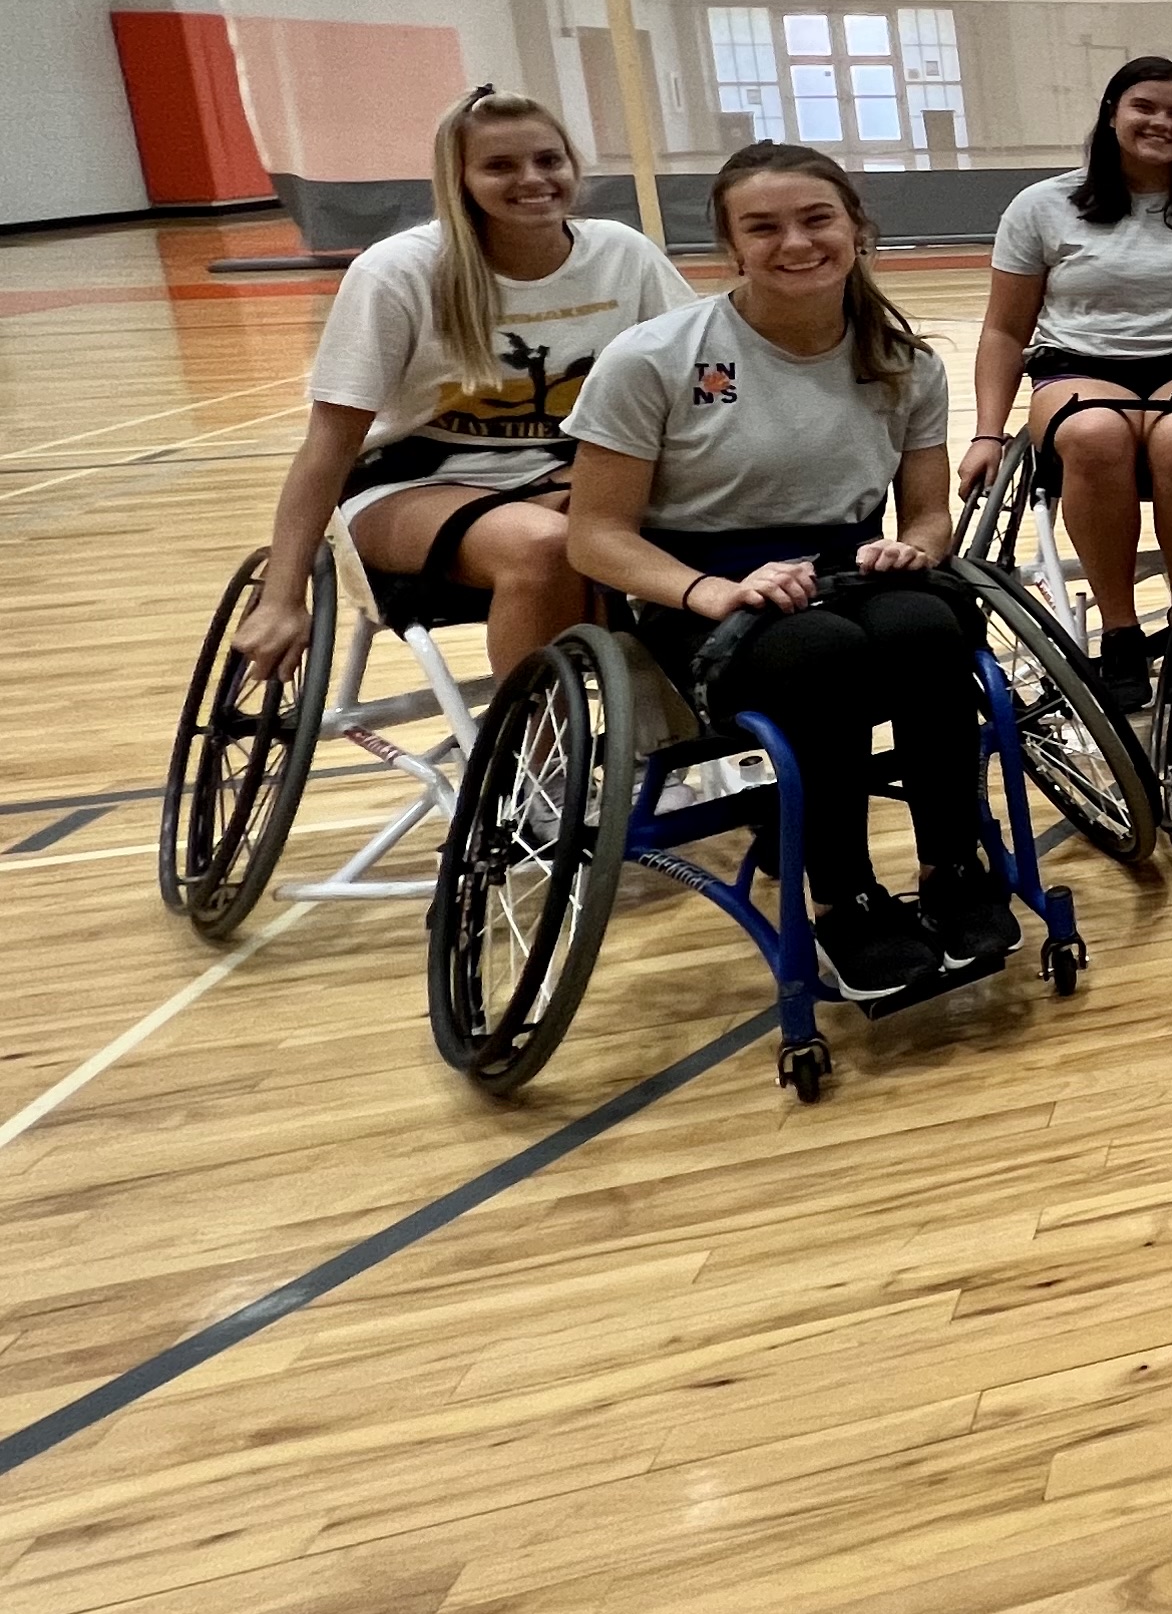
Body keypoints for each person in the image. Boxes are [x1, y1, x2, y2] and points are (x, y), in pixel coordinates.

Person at [567, 144, 990, 1005]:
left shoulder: (906, 360)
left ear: (858, 229)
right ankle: (842, 894)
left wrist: (915, 547)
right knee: (819, 654)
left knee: (930, 626)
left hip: (847, 568)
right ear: (730, 247)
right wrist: (711, 591)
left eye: (816, 219)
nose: (795, 242)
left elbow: (929, 516)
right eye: (764, 227)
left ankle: (955, 865)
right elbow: (596, 537)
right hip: (704, 587)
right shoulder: (654, 358)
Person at [236, 87, 690, 688]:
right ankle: (532, 761)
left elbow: (696, 377)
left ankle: (662, 728)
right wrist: (282, 597)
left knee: (678, 520)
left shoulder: (622, 254)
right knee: (548, 544)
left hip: (566, 471)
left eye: (548, 160)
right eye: (500, 165)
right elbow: (329, 447)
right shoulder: (398, 271)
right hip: (414, 481)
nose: (532, 178)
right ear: (460, 179)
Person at [963, 56, 1172, 712]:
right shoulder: (1043, 206)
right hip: (1080, 365)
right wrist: (987, 433)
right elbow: (1004, 332)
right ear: (1111, 115)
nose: (1161, 122)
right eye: (1145, 108)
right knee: (1095, 435)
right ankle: (1120, 631)